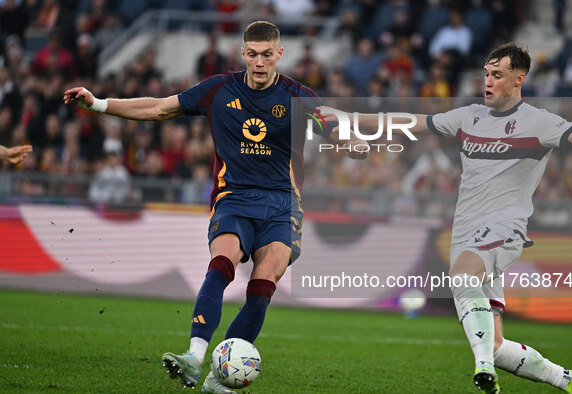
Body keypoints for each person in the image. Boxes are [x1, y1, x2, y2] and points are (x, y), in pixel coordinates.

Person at [63, 21, 355, 393]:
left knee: (264, 285)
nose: (260, 62)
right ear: (243, 53)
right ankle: (194, 358)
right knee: (222, 261)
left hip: (283, 204)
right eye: (253, 54)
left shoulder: (298, 97)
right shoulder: (219, 89)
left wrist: (351, 143)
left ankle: (220, 379)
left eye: (267, 55)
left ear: (280, 54)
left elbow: (333, 125)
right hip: (233, 197)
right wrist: (100, 103)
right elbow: (158, 108)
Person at [322, 42, 572, 394]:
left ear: (518, 79)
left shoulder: (539, 122)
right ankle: (571, 381)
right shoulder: (469, 117)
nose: (488, 81)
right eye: (486, 75)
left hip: (503, 229)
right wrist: (348, 118)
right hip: (464, 232)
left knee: (463, 275)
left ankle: (482, 369)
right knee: (495, 344)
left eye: (497, 75)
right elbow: (407, 122)